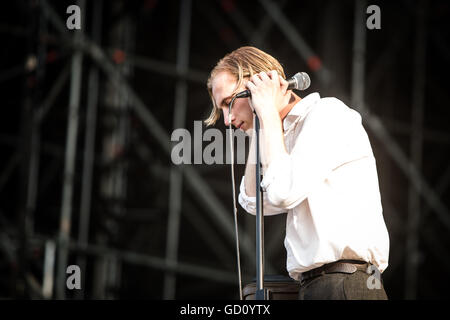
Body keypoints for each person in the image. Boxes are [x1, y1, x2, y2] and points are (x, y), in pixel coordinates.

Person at [205, 46, 390, 300]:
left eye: (228, 103)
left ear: (258, 85)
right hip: (314, 286)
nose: (227, 120)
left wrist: (266, 112)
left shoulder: (326, 114)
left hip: (346, 285)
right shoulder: (280, 138)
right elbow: (252, 202)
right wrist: (258, 131)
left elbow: (282, 193)